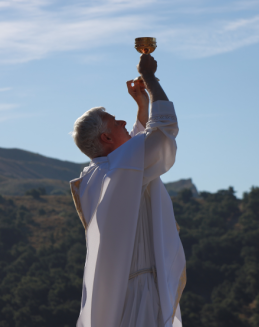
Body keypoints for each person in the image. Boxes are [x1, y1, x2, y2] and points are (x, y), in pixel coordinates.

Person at [70, 54, 185, 327]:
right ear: (106, 138)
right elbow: (163, 130)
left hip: (124, 292)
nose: (124, 123)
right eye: (115, 122)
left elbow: (134, 151)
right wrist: (150, 79)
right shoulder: (121, 170)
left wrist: (142, 106)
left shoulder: (96, 176)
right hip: (140, 294)